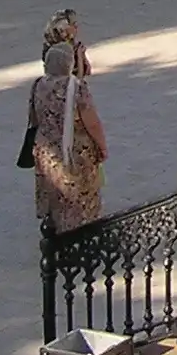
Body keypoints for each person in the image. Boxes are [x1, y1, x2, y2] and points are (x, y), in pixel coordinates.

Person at [29, 42, 108, 234]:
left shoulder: (38, 85)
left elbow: (33, 118)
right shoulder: (77, 88)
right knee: (79, 200)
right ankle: (80, 235)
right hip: (74, 152)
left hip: (46, 153)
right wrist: (102, 147)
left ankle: (55, 233)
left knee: (55, 196)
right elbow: (92, 123)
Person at [42, 9, 92, 78]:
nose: (76, 26)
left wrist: (82, 55)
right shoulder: (57, 53)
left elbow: (88, 71)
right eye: (73, 24)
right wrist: (79, 55)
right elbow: (76, 80)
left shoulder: (74, 44)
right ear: (62, 28)